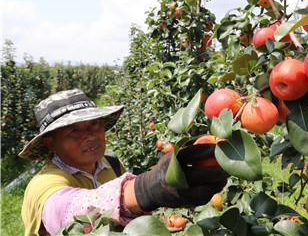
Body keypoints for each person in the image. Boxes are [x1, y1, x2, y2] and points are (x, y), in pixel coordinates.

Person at [20, 89, 228, 236]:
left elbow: (129, 213)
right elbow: (67, 213)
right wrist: (146, 189)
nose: (90, 136)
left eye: (95, 124)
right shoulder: (44, 184)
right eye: (74, 130)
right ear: (50, 142)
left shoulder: (111, 164)